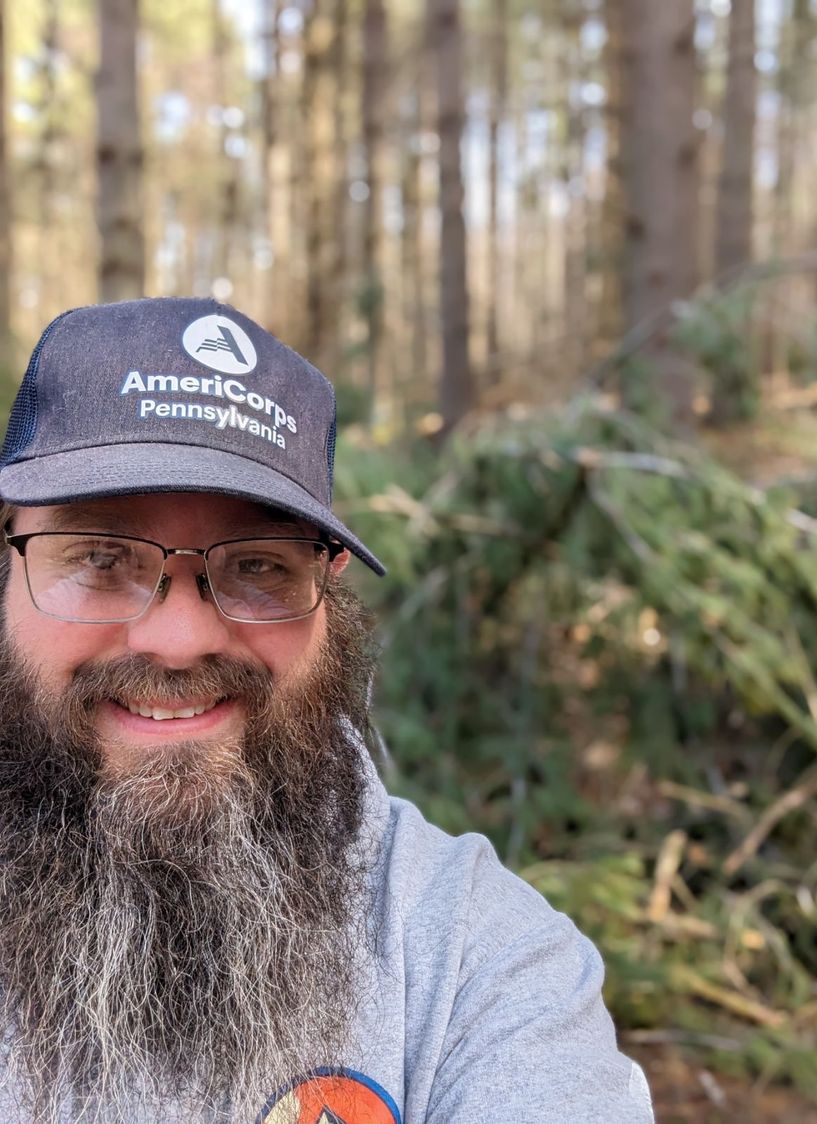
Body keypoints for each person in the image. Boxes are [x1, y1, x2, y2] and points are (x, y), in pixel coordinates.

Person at [0, 298, 654, 1124]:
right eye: (99, 558)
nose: (178, 637)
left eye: (258, 567)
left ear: (329, 590)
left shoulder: (476, 965)